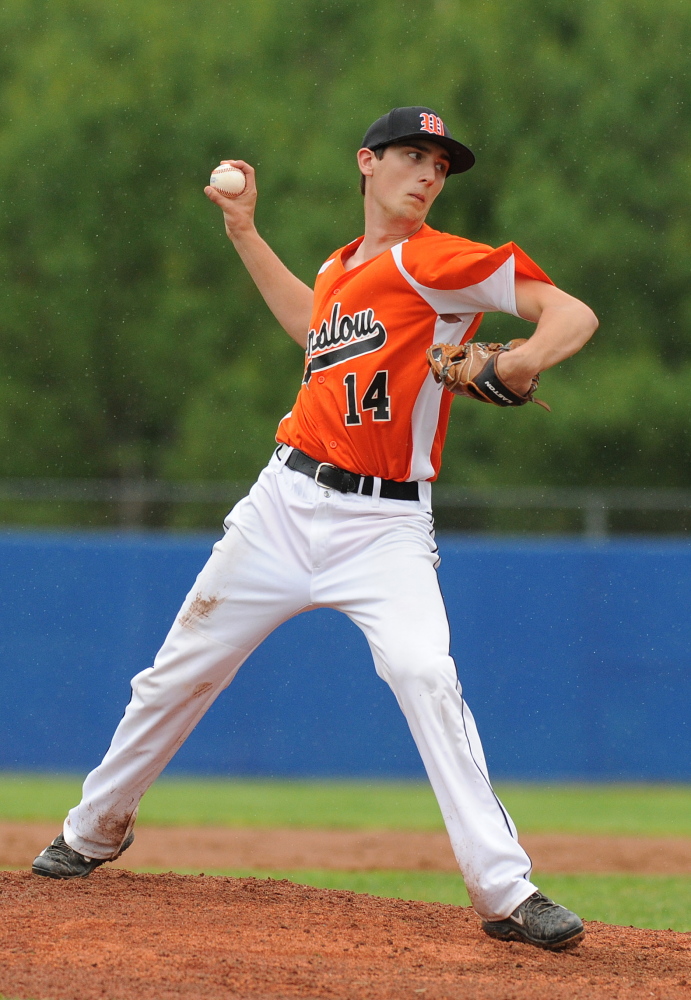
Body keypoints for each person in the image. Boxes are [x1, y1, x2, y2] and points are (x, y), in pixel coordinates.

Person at [33, 107, 597, 951]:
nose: (428, 173)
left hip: (385, 523)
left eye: (439, 164)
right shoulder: (343, 266)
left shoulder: (436, 260)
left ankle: (505, 890)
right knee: (178, 672)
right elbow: (312, 330)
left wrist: (517, 360)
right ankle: (94, 829)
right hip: (282, 504)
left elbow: (570, 314)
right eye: (412, 155)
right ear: (366, 163)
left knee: (424, 675)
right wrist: (243, 232)